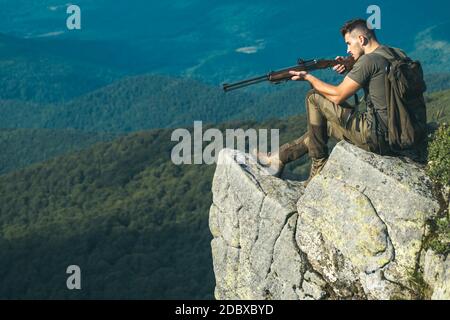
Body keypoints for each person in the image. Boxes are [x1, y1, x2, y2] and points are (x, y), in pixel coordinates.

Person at [256, 18, 415, 185]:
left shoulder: (368, 62)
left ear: (361, 40)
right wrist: (352, 67)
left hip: (378, 138)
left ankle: (317, 169)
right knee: (327, 127)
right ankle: (279, 157)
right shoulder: (397, 53)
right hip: (402, 132)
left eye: (348, 43)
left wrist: (308, 77)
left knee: (314, 97)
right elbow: (382, 84)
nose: (347, 49)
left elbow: (339, 95)